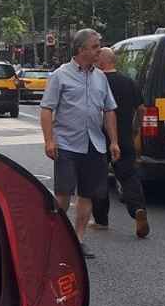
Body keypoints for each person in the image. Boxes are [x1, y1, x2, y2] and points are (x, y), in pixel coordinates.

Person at [40, 28, 119, 256]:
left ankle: (77, 240)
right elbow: (47, 109)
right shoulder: (60, 75)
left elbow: (109, 110)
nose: (100, 50)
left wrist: (113, 141)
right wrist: (49, 140)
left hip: (94, 145)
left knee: (87, 194)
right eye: (95, 46)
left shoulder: (101, 77)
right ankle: (55, 236)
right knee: (63, 194)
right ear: (81, 49)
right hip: (66, 144)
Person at [90, 46, 150, 239]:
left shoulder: (95, 81)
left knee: (98, 177)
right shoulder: (129, 82)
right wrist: (136, 128)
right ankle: (138, 210)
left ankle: (101, 220)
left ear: (102, 62)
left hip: (98, 137)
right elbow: (141, 108)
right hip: (124, 136)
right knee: (129, 176)